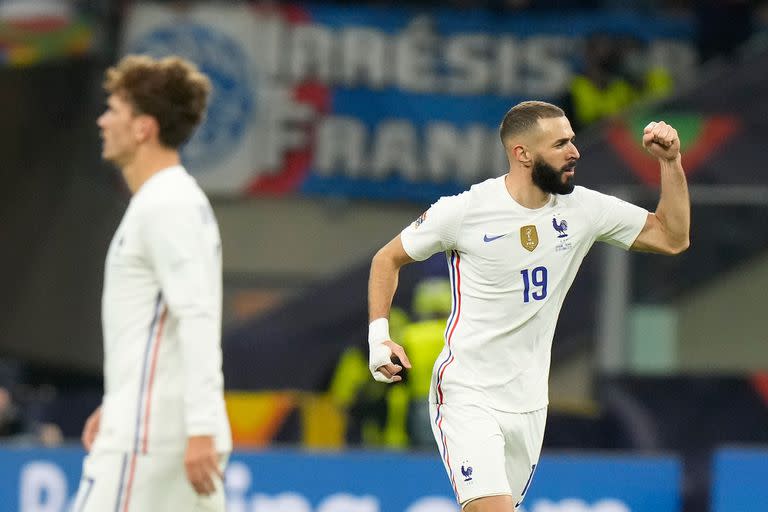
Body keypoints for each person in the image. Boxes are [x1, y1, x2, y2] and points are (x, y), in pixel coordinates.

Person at [367, 100, 689, 511]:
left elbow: (671, 237)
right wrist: (380, 339)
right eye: (560, 144)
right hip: (467, 392)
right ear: (522, 154)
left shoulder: (584, 209)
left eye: (572, 140)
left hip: (529, 402)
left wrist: (671, 163)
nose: (575, 151)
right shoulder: (466, 211)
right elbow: (387, 258)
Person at [72, 55, 231, 512]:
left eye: (114, 110)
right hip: (162, 428)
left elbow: (196, 315)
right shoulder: (173, 200)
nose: (103, 121)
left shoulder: (166, 204)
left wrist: (199, 427)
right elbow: (160, 329)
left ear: (143, 128)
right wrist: (120, 401)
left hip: (151, 438)